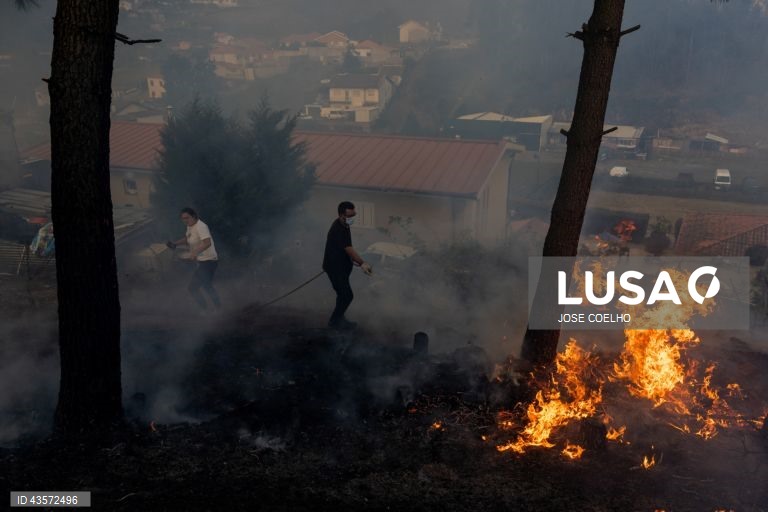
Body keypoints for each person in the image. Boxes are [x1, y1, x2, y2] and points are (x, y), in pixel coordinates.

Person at [322, 201, 372, 329]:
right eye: (349, 217)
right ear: (341, 215)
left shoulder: (345, 225)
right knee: (347, 295)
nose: (351, 219)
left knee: (342, 295)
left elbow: (345, 249)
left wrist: (350, 260)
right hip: (334, 268)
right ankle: (334, 322)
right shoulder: (338, 229)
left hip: (341, 267)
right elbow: (348, 248)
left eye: (353, 216)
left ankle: (340, 319)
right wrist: (362, 263)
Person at [167, 207, 221, 311]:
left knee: (192, 288)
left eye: (187, 218)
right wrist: (175, 244)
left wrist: (194, 252)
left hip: (209, 261)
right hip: (202, 261)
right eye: (183, 218)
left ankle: (206, 309)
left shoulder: (201, 227)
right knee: (206, 285)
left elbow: (207, 242)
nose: (185, 221)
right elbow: (188, 239)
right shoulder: (190, 226)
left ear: (194, 216)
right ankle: (218, 307)